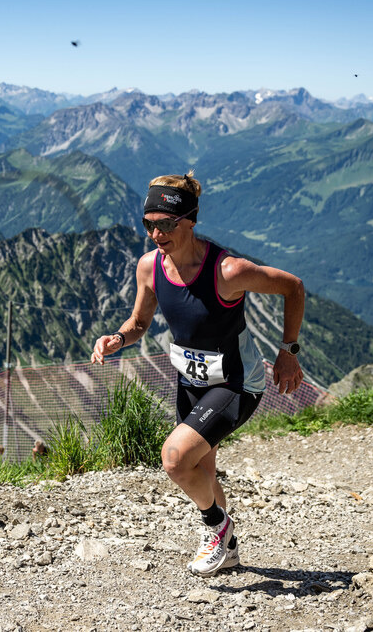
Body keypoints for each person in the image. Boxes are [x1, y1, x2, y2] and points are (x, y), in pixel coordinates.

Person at [91, 171, 304, 577]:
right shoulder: (149, 267)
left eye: (167, 224)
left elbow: (293, 287)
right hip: (191, 382)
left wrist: (288, 352)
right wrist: (117, 339)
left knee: (174, 459)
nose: (157, 234)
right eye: (149, 224)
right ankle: (227, 549)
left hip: (236, 383)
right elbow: (139, 322)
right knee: (202, 471)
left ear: (190, 220)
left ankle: (217, 528)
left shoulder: (228, 271)